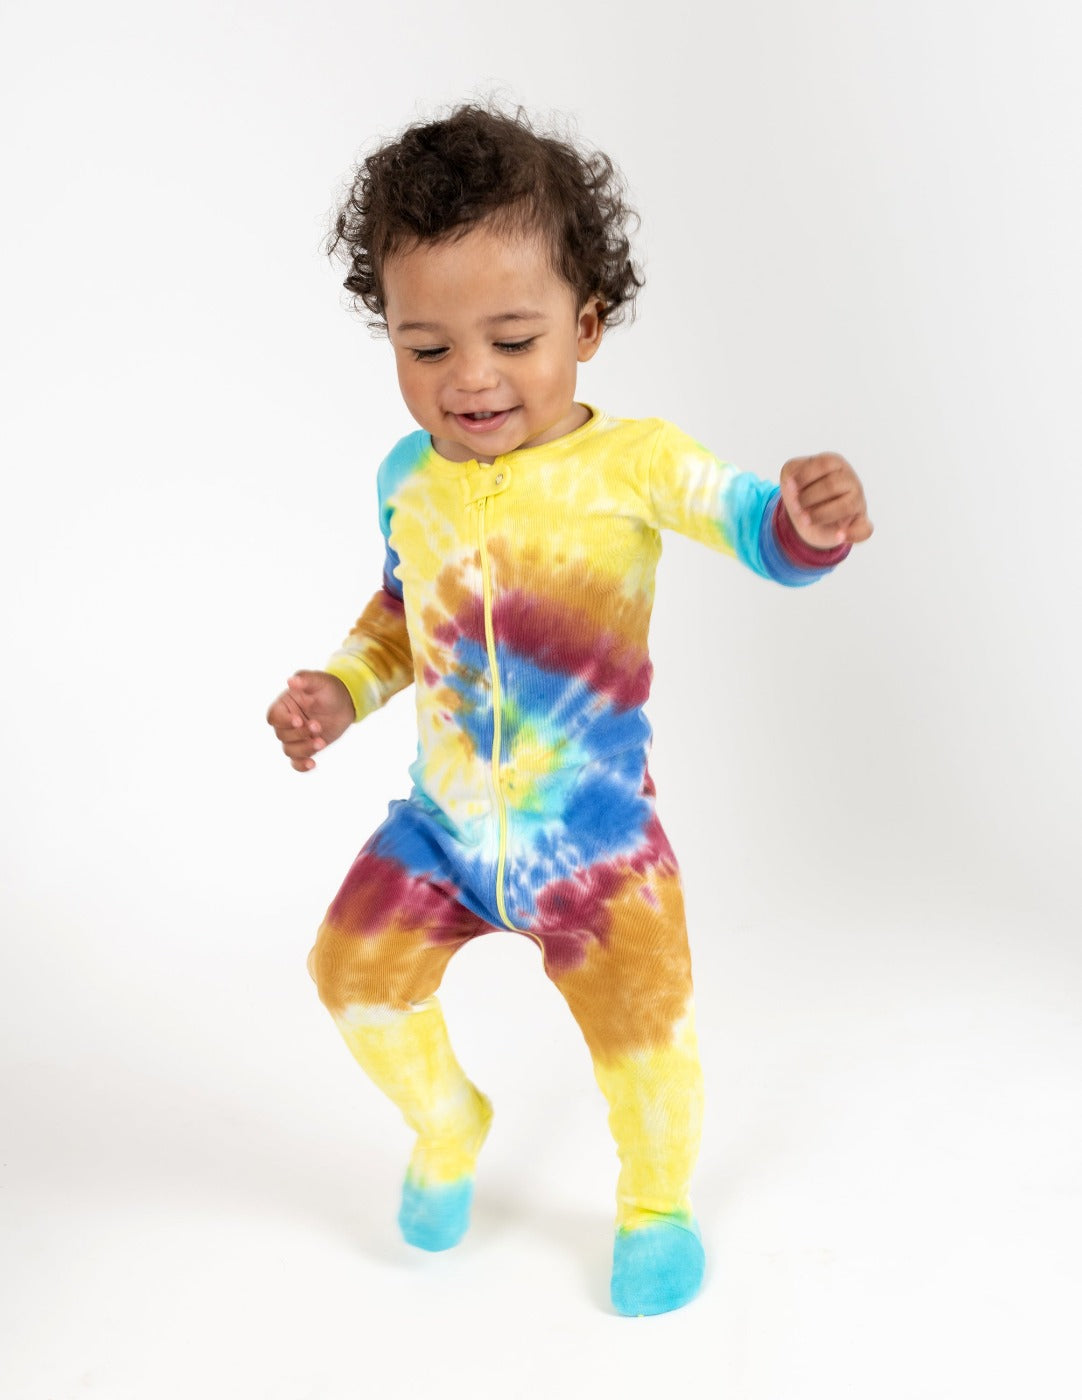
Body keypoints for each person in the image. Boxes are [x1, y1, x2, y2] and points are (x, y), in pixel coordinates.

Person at [266, 101, 872, 1317]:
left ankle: (654, 1203)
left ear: (585, 325)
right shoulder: (406, 480)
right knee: (348, 972)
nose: (469, 376)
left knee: (646, 1035)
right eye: (424, 346)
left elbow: (755, 527)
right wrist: (339, 686)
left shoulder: (630, 463)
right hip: (440, 832)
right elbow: (400, 616)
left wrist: (806, 525)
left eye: (511, 336)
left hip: (595, 848)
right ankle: (448, 1122)